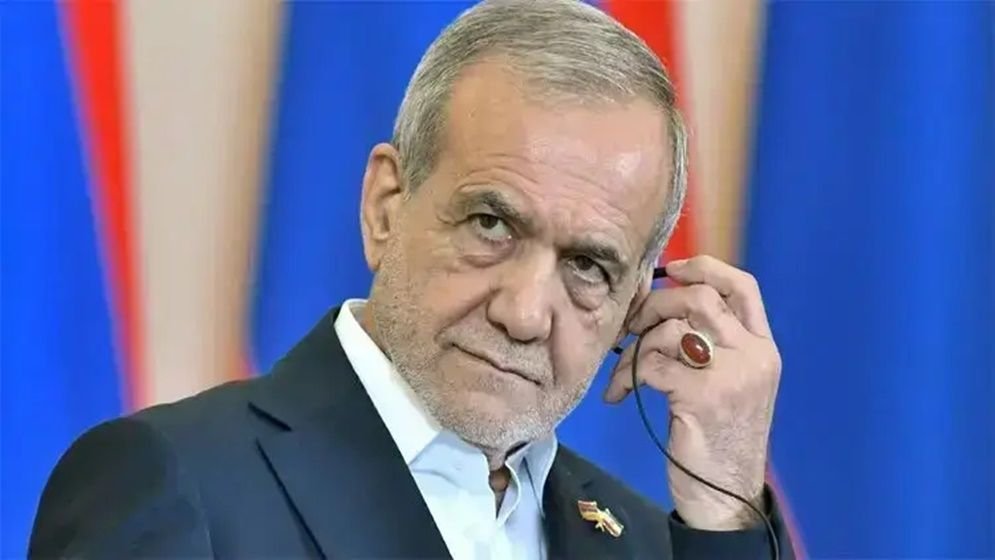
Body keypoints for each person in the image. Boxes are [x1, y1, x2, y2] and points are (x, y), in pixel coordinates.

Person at [29, 1, 794, 558]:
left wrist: (723, 507)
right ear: (385, 206)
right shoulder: (175, 485)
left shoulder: (642, 542)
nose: (525, 313)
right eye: (491, 224)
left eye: (587, 266)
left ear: (635, 305)